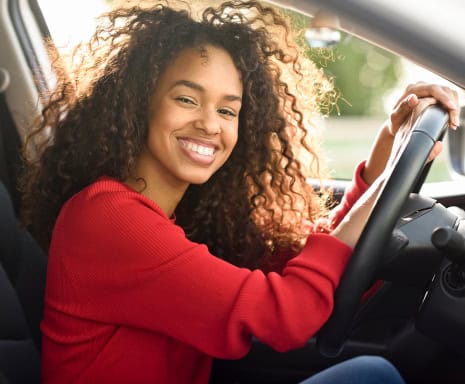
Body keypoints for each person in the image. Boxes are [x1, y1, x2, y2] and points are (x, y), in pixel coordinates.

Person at [18, 1, 459, 383]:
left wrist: (387, 147)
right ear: (138, 105)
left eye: (228, 109)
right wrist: (383, 189)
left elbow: (308, 262)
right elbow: (284, 315)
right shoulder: (110, 219)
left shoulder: (175, 214)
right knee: (376, 375)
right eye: (187, 100)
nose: (210, 124)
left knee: (374, 373)